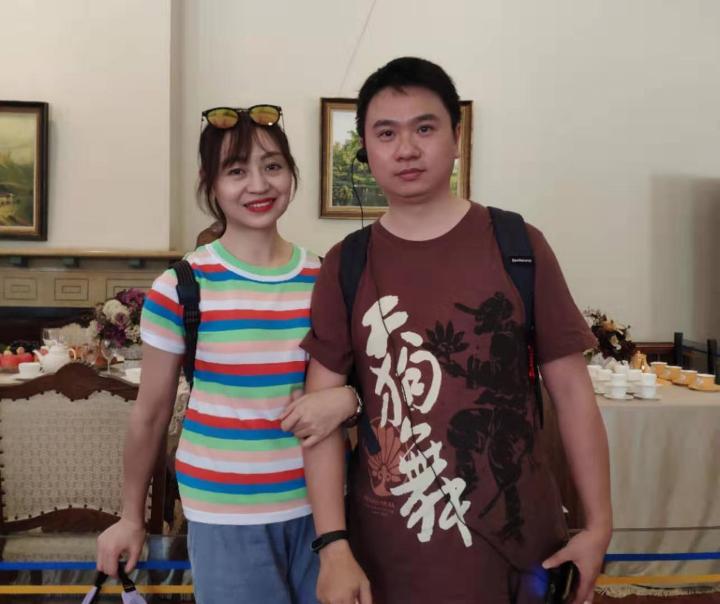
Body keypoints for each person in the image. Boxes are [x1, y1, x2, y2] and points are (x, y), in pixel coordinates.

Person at [298, 58, 612, 604]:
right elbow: (316, 418)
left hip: (520, 551)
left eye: (424, 128)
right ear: (365, 149)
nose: (406, 149)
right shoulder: (346, 264)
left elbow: (572, 394)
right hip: (387, 555)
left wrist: (599, 525)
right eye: (386, 133)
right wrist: (333, 547)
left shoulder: (518, 245)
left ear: (457, 138)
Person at [96, 105, 359, 603]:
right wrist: (130, 517)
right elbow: (150, 414)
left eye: (272, 166)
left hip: (321, 511)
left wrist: (349, 399)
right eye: (236, 171)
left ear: (292, 173)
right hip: (224, 513)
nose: (258, 184)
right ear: (210, 183)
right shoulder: (182, 285)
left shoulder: (324, 278)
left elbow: (351, 387)